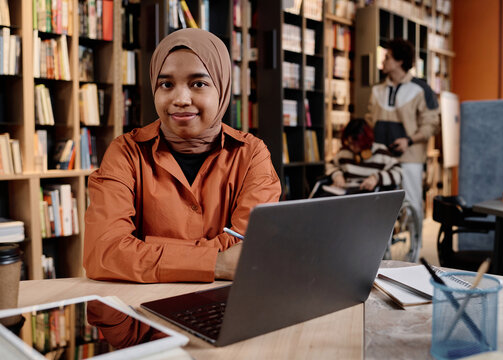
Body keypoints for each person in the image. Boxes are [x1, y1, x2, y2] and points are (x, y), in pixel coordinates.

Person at [83, 29, 281, 283]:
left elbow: (248, 249)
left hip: (225, 306)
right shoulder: (125, 152)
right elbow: (104, 252)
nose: (180, 99)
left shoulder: (251, 154)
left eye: (198, 84)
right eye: (166, 84)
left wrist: (144, 250)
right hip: (141, 310)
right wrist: (217, 263)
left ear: (221, 87)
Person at [365, 39, 440, 246]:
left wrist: (409, 140)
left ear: (399, 61)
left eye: (387, 57)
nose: (383, 60)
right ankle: (382, 251)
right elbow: (370, 120)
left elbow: (431, 124)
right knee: (381, 206)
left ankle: (415, 250)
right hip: (380, 158)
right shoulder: (377, 90)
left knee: (413, 203)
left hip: (410, 157)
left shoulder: (421, 89)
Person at [326, 118, 402, 192]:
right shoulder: (345, 152)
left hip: (371, 196)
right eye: (349, 143)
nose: (352, 147)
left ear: (366, 141)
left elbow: (399, 172)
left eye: (356, 144)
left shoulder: (381, 152)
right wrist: (337, 175)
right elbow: (330, 165)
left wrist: (376, 178)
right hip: (346, 195)